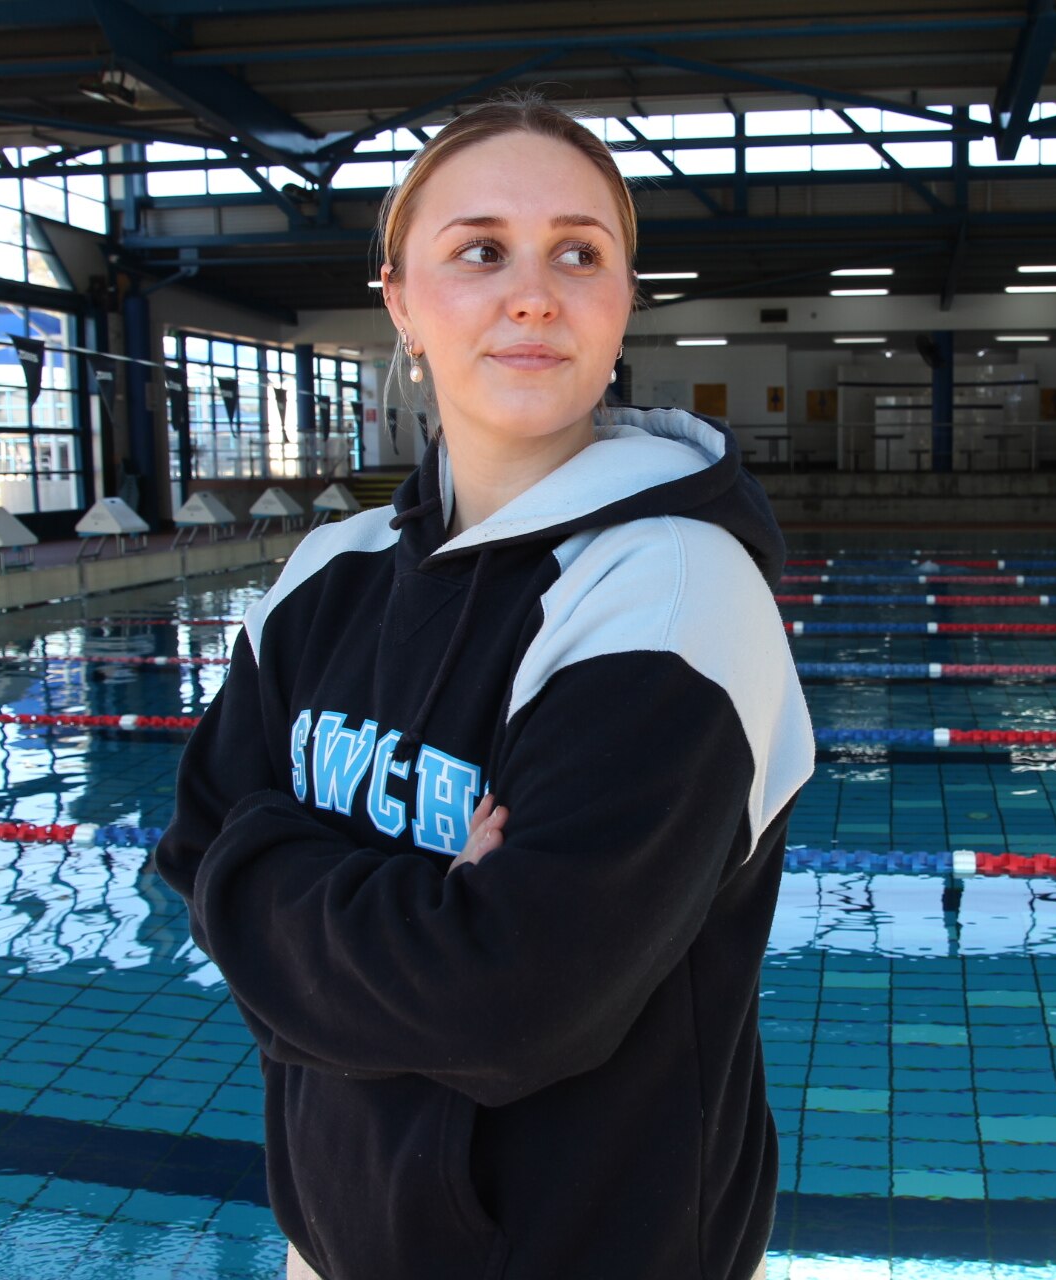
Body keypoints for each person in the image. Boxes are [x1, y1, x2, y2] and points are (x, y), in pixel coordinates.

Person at [154, 89, 814, 1280]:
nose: (533, 291)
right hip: (330, 1242)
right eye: (479, 251)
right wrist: (413, 909)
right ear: (402, 303)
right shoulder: (325, 573)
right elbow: (191, 850)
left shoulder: (675, 592)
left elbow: (518, 1001)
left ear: (621, 305)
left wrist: (272, 871)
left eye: (579, 251)